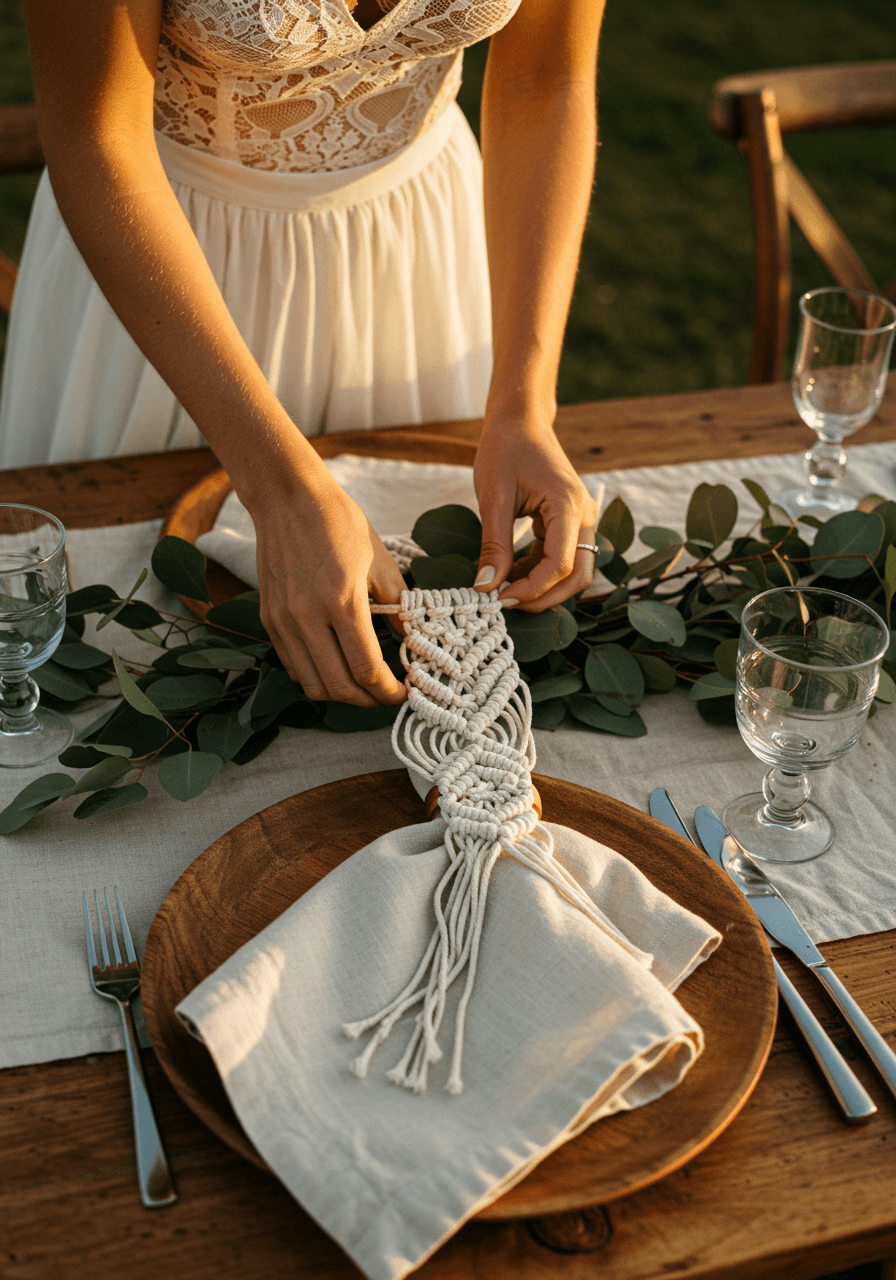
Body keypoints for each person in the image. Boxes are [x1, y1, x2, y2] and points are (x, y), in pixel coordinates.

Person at [2, 0, 603, 706]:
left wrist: (526, 403)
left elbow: (546, 79)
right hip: (169, 282)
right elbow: (96, 137)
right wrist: (280, 488)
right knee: (120, 657)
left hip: (419, 269)